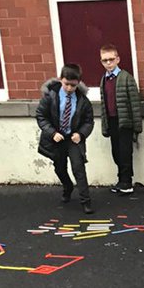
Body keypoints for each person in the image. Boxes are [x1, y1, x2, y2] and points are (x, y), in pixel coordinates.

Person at [35, 64, 95, 214]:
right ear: (61, 80)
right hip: (57, 138)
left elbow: (89, 121)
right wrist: (52, 132)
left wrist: (80, 134)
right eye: (66, 84)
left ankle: (85, 201)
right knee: (60, 167)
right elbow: (41, 116)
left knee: (78, 168)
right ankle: (67, 187)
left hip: (73, 139)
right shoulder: (51, 95)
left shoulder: (82, 100)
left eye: (73, 85)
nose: (69, 88)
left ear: (78, 83)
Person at [99, 44, 142, 194]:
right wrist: (105, 124)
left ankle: (127, 182)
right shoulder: (104, 80)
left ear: (118, 59)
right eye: (105, 60)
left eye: (111, 59)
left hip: (124, 121)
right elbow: (104, 103)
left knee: (125, 152)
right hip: (111, 121)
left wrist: (137, 127)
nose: (108, 63)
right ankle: (121, 179)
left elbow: (135, 104)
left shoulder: (126, 78)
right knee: (116, 151)